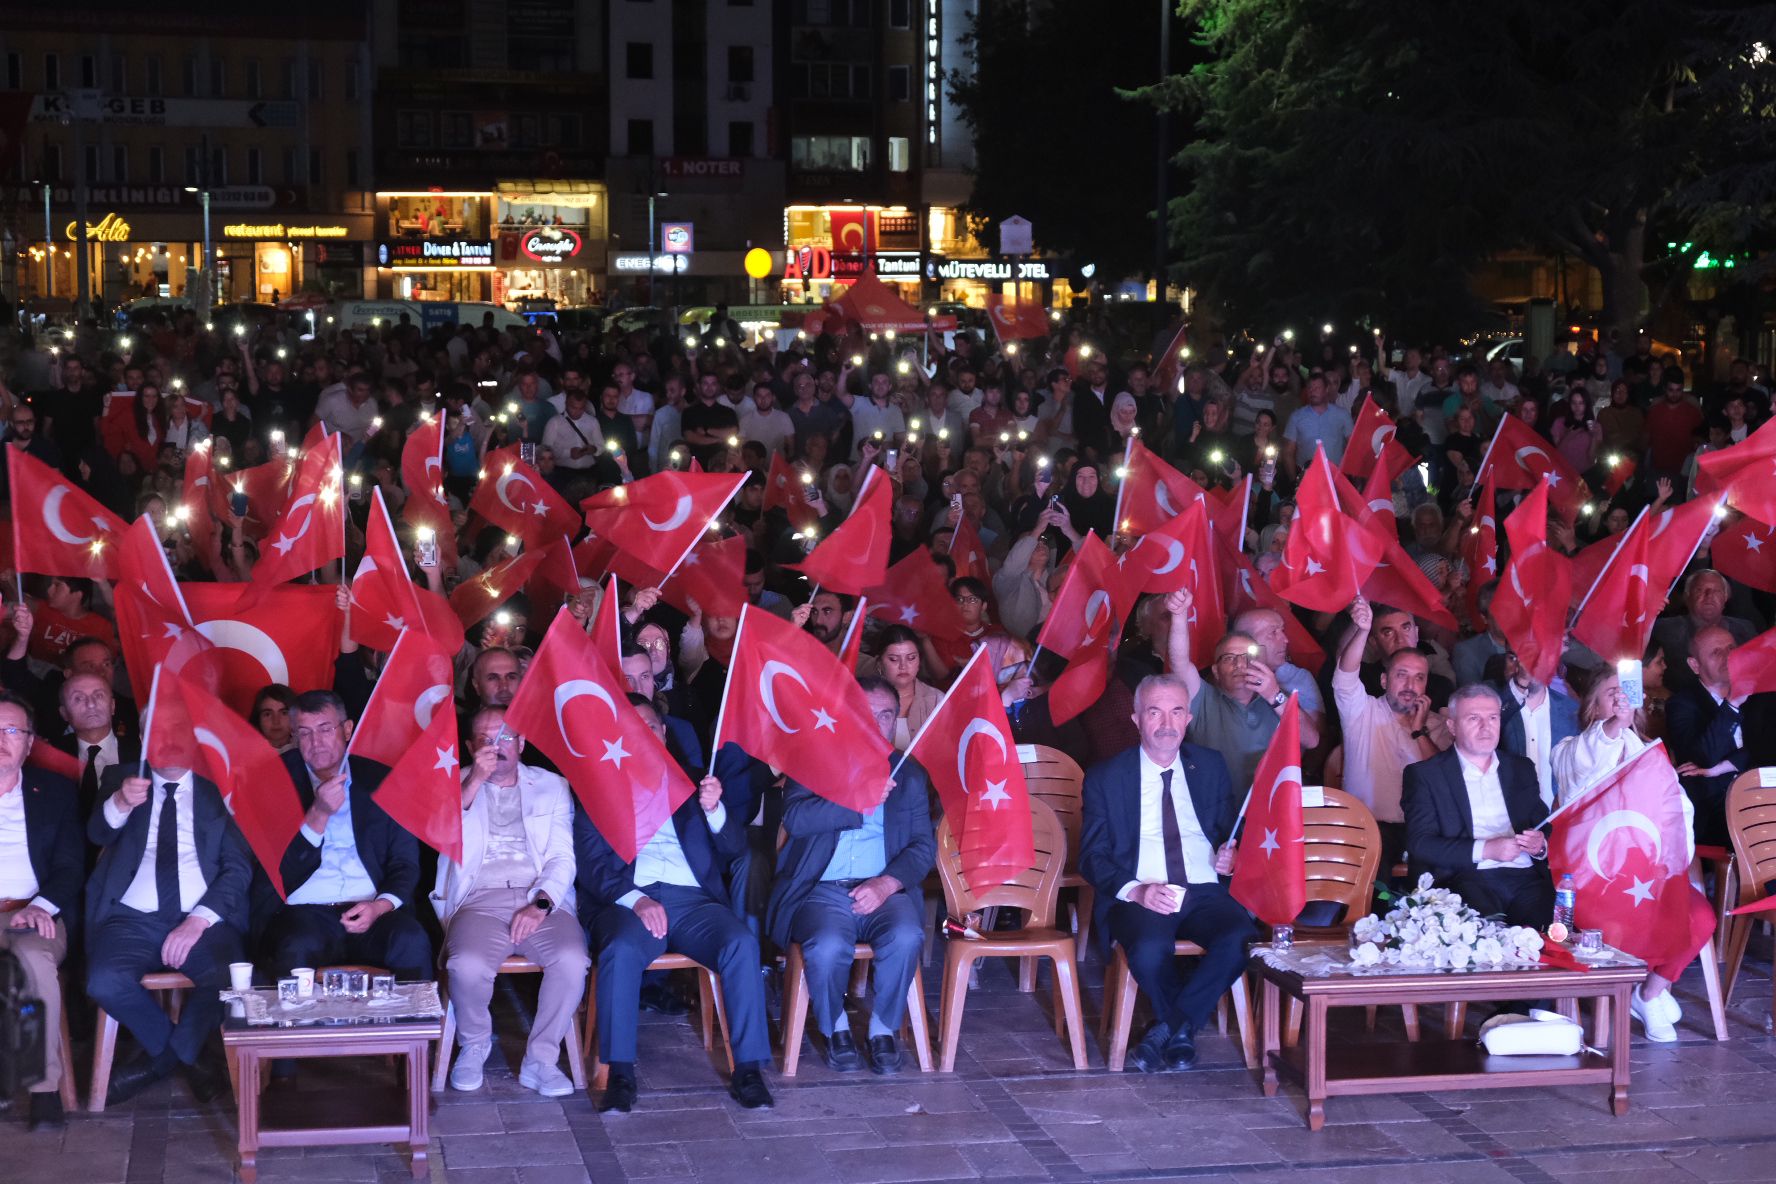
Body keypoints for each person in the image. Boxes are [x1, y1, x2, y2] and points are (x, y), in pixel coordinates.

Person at [575, 695, 773, 1113]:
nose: (642, 735)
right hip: (629, 900)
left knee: (740, 943)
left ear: (662, 733)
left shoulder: (696, 782)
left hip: (694, 901)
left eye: (649, 726)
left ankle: (749, 1070)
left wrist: (715, 809)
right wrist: (637, 899)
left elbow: (737, 849)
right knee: (621, 950)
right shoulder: (598, 786)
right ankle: (621, 1074)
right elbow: (591, 865)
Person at [1078, 674, 1250, 1073]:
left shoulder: (1210, 765)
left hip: (1205, 888)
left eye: (1176, 712)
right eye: (1155, 712)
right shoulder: (1106, 777)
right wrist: (1135, 891)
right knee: (1150, 948)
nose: (1167, 724)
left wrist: (1234, 854)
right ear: (1136, 718)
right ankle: (1183, 1030)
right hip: (1145, 890)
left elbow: (1231, 830)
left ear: (1189, 717)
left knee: (1239, 937)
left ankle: (1170, 1028)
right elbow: (1093, 855)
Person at [86, 706, 254, 1106]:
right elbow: (95, 833)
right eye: (158, 733)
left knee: (230, 979)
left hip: (204, 920)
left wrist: (198, 920)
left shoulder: (223, 787)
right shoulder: (120, 778)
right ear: (143, 739)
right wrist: (121, 804)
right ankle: (187, 1059)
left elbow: (238, 868)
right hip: (131, 918)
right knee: (102, 980)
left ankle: (157, 1065)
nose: (170, 742)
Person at [767, 677, 933, 1075]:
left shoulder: (909, 775)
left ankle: (882, 1029)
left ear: (896, 721)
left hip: (883, 888)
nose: (875, 726)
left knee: (908, 934)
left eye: (885, 716)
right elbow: (797, 818)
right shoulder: (813, 762)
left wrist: (887, 883)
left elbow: (922, 847)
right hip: (821, 889)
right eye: (865, 716)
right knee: (825, 944)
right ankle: (835, 1026)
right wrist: (856, 801)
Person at [1551, 671, 1715, 1042]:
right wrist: (1615, 725)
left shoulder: (1650, 756)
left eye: (1624, 693)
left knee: (1701, 917)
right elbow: (1584, 765)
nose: (1620, 700)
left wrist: (1669, 866)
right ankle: (1638, 993)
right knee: (1625, 924)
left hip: (1649, 876)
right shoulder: (1568, 749)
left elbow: (1676, 812)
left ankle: (1649, 993)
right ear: (1592, 705)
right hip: (1595, 882)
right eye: (1611, 693)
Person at [433, 708, 589, 1096]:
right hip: (479, 896)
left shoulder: (553, 785)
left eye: (505, 737)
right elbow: (441, 832)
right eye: (485, 740)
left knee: (572, 961)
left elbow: (562, 856)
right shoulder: (452, 784)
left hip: (537, 895)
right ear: (470, 747)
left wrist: (541, 903)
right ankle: (474, 1043)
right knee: (465, 964)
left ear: (521, 743)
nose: (496, 747)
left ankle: (541, 1060)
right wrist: (475, 779)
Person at [258, 691, 432, 985]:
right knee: (294, 946)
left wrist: (380, 907)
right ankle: (297, 1029)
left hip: (373, 908)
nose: (316, 742)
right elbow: (276, 871)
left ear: (347, 729)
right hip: (304, 913)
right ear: (295, 736)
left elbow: (405, 863)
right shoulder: (272, 782)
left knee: (410, 940)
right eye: (305, 733)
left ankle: (410, 1032)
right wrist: (318, 814)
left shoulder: (384, 779)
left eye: (325, 729)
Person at [1402, 684, 1553, 927]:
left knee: (1551, 936)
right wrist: (1487, 850)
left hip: (1526, 877)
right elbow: (1420, 844)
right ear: (1452, 726)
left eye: (1493, 717)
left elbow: (1541, 822)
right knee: (1489, 939)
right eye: (1474, 718)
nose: (1486, 726)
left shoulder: (1520, 768)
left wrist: (1539, 845)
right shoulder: (1426, 775)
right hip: (1465, 878)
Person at [0, 692, 83, 1129]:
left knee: (31, 962)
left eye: (11, 730)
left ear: (29, 743)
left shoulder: (52, 793)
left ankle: (44, 1092)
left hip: (32, 913)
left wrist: (41, 906)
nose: (1, 740)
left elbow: (71, 865)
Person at [1332, 597, 1451, 872]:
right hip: (1368, 828)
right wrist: (1363, 629)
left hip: (1422, 830)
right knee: (1381, 888)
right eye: (1401, 675)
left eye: (1419, 677)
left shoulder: (1436, 726)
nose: (1410, 684)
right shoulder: (1361, 712)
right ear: (1385, 680)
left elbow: (1445, 781)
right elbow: (1345, 675)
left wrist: (1419, 732)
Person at [1664, 624, 1751, 846]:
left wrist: (1724, 765)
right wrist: (1731, 706)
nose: (1728, 656)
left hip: (1762, 791)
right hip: (1717, 807)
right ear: (1695, 665)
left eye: (1731, 648)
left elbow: (1767, 748)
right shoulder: (1681, 704)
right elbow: (1701, 758)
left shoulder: (1758, 694)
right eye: (1716, 652)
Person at [1494, 653, 1580, 810]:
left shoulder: (1572, 711)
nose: (1523, 666)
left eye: (1536, 658)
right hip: (1508, 819)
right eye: (1513, 658)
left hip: (1558, 816)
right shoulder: (1491, 705)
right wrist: (1521, 683)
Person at [1649, 570, 1757, 694]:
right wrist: (1648, 618)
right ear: (1687, 596)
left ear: (1725, 597)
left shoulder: (1745, 629)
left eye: (1716, 591)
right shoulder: (1664, 629)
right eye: (1700, 590)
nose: (1709, 595)